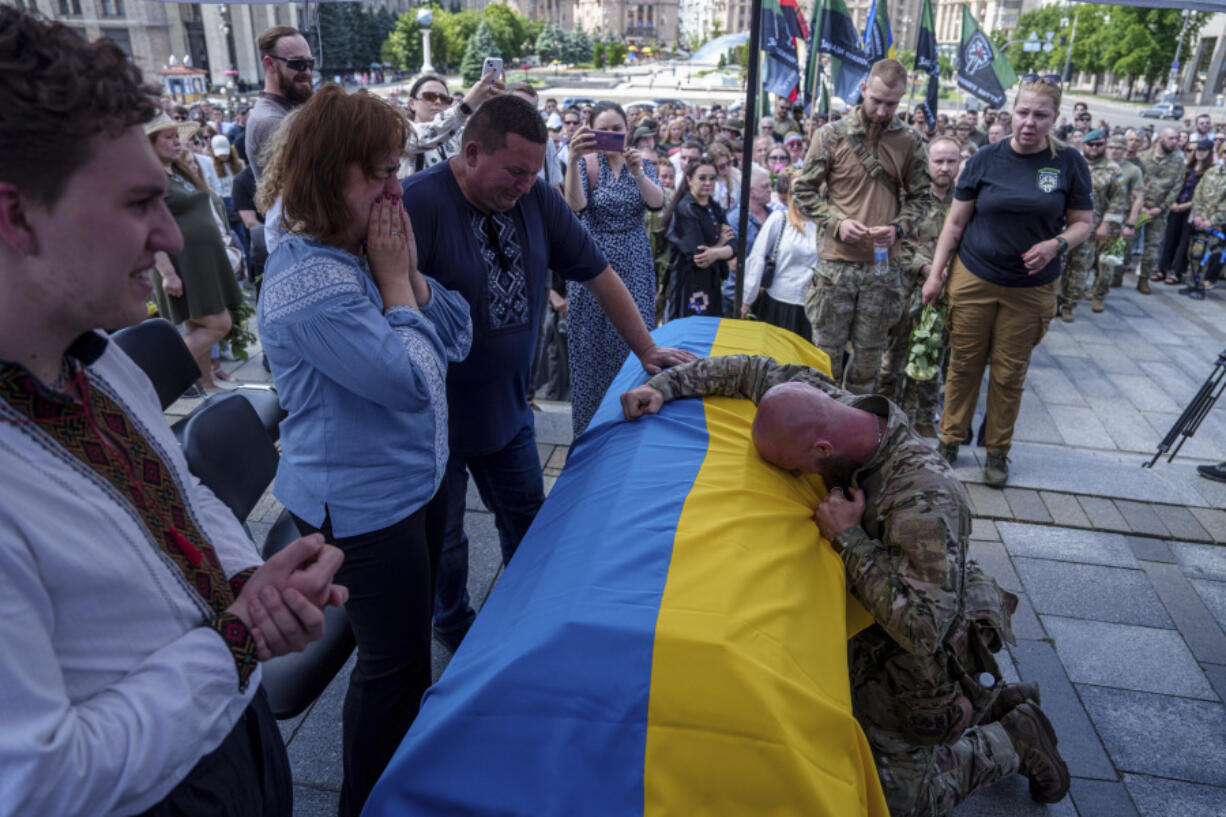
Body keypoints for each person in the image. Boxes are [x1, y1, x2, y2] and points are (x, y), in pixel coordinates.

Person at [0, 10, 346, 816]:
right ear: (16, 215)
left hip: (231, 735)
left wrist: (248, 579)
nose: (166, 234)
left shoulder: (100, 357)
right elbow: (38, 781)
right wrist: (239, 638)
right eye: (136, 202)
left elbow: (181, 489)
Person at [618, 355, 1070, 817]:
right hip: (891, 600)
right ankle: (994, 700)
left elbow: (924, 629)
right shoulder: (832, 406)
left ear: (822, 449)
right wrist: (666, 386)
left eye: (796, 469)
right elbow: (750, 371)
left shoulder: (924, 497)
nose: (799, 479)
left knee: (896, 800)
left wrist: (847, 538)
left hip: (932, 637)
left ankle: (1012, 736)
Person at [400, 95, 693, 650]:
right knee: (446, 541)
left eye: (534, 172)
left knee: (532, 527)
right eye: (514, 170)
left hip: (508, 411)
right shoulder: (418, 204)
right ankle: (453, 627)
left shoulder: (535, 196)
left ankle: (529, 625)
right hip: (432, 425)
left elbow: (599, 271)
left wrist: (647, 349)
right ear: (470, 152)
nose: (524, 184)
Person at [256, 85, 472, 817]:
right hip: (364, 506)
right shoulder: (311, 280)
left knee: (398, 653)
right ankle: (368, 802)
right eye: (377, 173)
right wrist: (397, 283)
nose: (396, 188)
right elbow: (412, 379)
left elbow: (459, 333)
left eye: (396, 168)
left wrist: (405, 281)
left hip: (410, 482)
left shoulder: (354, 253)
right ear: (325, 175)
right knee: (394, 663)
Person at [920, 74, 1092, 487]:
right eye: (1023, 112)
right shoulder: (984, 160)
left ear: (1055, 119)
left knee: (1009, 373)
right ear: (1011, 113)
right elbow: (955, 223)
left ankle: (998, 451)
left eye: (1040, 115)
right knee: (963, 364)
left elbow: (1084, 224)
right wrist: (937, 273)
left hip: (1030, 288)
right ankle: (950, 439)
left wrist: (1056, 245)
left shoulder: (1068, 163)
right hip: (974, 276)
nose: (1029, 122)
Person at [792, 58, 931, 394]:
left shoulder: (910, 140)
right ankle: (819, 426)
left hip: (882, 270)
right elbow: (802, 191)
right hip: (835, 267)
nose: (883, 111)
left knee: (869, 360)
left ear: (903, 98)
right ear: (864, 90)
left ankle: (856, 429)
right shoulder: (831, 135)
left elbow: (923, 199)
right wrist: (836, 223)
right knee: (824, 360)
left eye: (892, 104)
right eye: (877, 101)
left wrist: (897, 228)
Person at [562, 100, 664, 434]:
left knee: (634, 347)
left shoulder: (642, 163)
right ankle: (588, 432)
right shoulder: (584, 164)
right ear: (589, 131)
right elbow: (574, 206)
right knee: (590, 352)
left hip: (634, 265)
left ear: (627, 130)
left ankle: (629, 428)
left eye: (616, 129)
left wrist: (637, 172)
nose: (609, 135)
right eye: (602, 129)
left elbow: (656, 203)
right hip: (593, 267)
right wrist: (575, 157)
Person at [146, 113, 244, 392]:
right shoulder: (150, 179)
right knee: (218, 323)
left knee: (197, 327)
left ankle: (207, 384)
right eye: (168, 137)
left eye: (177, 136)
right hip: (180, 263)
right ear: (149, 144)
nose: (177, 142)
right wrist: (167, 273)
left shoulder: (177, 170)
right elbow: (149, 228)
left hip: (201, 261)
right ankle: (157, 377)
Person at [878, 136, 962, 437]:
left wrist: (943, 275)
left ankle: (923, 421)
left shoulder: (964, 201)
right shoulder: (909, 198)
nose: (944, 167)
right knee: (893, 358)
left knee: (931, 357)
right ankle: (884, 419)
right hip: (905, 288)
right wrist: (927, 269)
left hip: (945, 292)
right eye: (938, 161)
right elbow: (894, 242)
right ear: (927, 163)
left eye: (951, 161)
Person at [1057, 129, 1127, 322]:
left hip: (1090, 228)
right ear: (1083, 145)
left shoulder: (1114, 170)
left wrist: (1105, 225)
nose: (1094, 148)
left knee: (1080, 267)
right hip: (1062, 225)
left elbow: (1118, 200)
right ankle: (1054, 300)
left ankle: (1069, 304)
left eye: (1099, 144)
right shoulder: (1072, 162)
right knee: (1057, 266)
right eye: (1090, 144)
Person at [740, 168, 817, 339]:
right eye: (797, 190)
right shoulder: (779, 219)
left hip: (812, 305)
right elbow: (757, 257)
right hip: (779, 301)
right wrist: (747, 300)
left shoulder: (822, 224)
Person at [664, 155, 736, 320]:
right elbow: (699, 256)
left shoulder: (714, 207)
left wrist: (716, 252)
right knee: (690, 332)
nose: (708, 182)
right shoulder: (685, 209)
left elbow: (735, 245)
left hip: (712, 283)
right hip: (689, 284)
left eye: (712, 178)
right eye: (702, 178)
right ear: (689, 180)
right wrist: (720, 244)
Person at [396, 71, 502, 179]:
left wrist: (494, 105)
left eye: (444, 99)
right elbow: (426, 135)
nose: (438, 102)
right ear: (411, 103)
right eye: (429, 96)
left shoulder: (459, 134)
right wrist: (468, 103)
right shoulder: (398, 130)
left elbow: (489, 146)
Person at [245, 26, 314, 182]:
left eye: (310, 63)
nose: (308, 72)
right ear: (270, 64)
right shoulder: (269, 121)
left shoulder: (291, 106)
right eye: (298, 64)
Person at [1093, 134, 1145, 304]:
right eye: (1111, 147)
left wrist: (1130, 223)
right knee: (1090, 257)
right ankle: (1093, 285)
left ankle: (1100, 293)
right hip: (1094, 217)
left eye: (1119, 148)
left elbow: (1138, 197)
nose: (1114, 151)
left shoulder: (1132, 170)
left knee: (1107, 260)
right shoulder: (1098, 166)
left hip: (1116, 220)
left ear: (1125, 150)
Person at [1156, 137, 1214, 286]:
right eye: (1198, 150)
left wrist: (1186, 205)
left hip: (1191, 210)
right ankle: (1162, 268)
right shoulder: (1187, 168)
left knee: (1183, 241)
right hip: (1176, 206)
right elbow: (1176, 186)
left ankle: (1177, 272)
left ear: (1209, 152)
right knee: (1169, 239)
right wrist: (1173, 202)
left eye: (1203, 151)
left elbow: (1204, 195)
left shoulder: (1209, 172)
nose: (1200, 153)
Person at [1137, 127, 1187, 293]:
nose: (1175, 142)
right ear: (1160, 139)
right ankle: (1116, 275)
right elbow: (1135, 183)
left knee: (1152, 246)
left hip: (1159, 210)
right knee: (1126, 243)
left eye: (1177, 138)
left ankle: (1144, 279)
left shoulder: (1179, 159)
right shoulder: (1143, 156)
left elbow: (1177, 186)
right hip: (1137, 207)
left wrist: (1162, 207)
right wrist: (1140, 205)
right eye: (1171, 138)